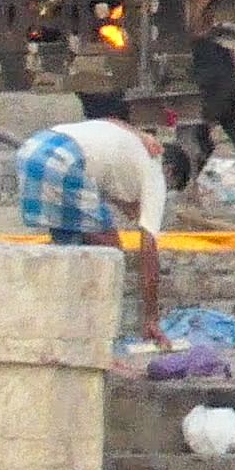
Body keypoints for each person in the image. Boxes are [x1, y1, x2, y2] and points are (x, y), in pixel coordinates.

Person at [14, 94, 186, 329]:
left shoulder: (133, 140)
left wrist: (128, 206)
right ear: (170, 171)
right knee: (111, 252)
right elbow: (148, 251)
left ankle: (60, 319)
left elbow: (110, 126)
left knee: (70, 245)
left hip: (33, 149)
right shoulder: (155, 172)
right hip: (66, 161)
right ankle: (103, 325)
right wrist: (151, 316)